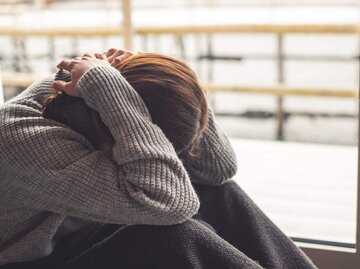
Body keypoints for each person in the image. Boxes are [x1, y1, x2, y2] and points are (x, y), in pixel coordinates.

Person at [0, 49, 317, 269]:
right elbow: (169, 201)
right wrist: (111, 90)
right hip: (33, 261)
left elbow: (218, 170)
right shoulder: (22, 136)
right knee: (176, 236)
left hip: (78, 231)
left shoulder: (84, 110)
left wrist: (167, 82)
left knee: (220, 194)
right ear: (114, 110)